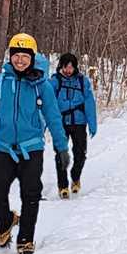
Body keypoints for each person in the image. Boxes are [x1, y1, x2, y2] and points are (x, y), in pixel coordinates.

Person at [0, 33, 67, 254]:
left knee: (30, 193)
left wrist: (61, 147)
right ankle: (6, 222)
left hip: (31, 148)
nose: (20, 60)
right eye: (16, 55)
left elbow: (53, 117)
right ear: (10, 56)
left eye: (25, 56)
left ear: (32, 58)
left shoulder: (42, 86)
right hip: (4, 147)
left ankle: (25, 239)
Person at [50, 52, 97, 198]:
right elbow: (49, 104)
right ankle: (63, 186)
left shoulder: (83, 81)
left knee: (80, 154)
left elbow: (89, 102)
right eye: (66, 67)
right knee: (60, 154)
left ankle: (75, 177)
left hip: (79, 123)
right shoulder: (55, 81)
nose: (68, 70)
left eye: (71, 67)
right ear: (61, 66)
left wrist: (92, 124)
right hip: (61, 123)